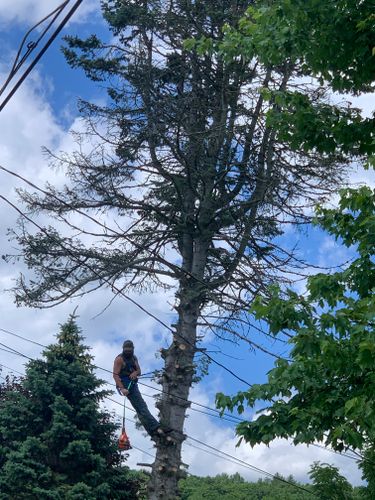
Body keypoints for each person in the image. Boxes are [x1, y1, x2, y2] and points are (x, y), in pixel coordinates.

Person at [113, 339, 168, 439]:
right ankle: (156, 428)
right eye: (126, 350)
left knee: (140, 408)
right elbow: (115, 375)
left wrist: (135, 373)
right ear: (123, 349)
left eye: (130, 349)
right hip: (125, 384)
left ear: (133, 349)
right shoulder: (119, 359)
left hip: (132, 383)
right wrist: (122, 389)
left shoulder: (134, 358)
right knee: (141, 406)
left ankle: (153, 431)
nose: (128, 351)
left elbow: (139, 370)